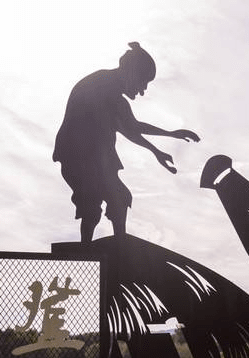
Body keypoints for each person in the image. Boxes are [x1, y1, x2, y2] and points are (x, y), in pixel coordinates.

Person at [53, 42, 200, 241]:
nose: (142, 90)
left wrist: (164, 141)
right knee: (94, 203)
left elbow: (131, 127)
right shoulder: (99, 86)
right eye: (143, 82)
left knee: (119, 199)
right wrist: (161, 143)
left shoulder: (112, 94)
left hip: (97, 159)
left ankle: (119, 247)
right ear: (131, 72)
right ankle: (92, 250)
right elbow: (129, 127)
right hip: (79, 158)